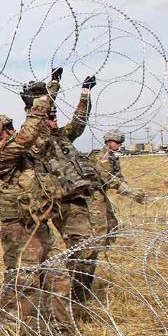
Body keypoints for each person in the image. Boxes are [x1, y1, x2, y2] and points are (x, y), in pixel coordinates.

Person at [0, 83, 71, 331]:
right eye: (7, 128)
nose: (13, 130)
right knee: (24, 282)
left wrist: (46, 100)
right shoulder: (0, 158)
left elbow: (38, 135)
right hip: (19, 230)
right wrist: (42, 101)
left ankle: (59, 328)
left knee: (59, 277)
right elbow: (27, 135)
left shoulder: (21, 155)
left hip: (38, 225)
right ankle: (11, 332)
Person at [30, 73, 101, 305]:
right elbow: (40, 112)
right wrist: (53, 86)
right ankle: (62, 300)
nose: (54, 121)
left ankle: (78, 297)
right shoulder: (38, 140)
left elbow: (79, 120)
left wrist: (85, 93)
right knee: (61, 252)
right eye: (50, 117)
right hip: (57, 202)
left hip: (75, 199)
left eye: (55, 117)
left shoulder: (63, 136)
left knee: (86, 251)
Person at [88, 130, 147, 243]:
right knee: (101, 223)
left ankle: (106, 246)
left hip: (103, 193)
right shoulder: (102, 156)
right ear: (108, 142)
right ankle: (97, 246)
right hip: (95, 194)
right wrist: (128, 191)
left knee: (111, 222)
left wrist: (127, 188)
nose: (119, 144)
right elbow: (107, 178)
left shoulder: (112, 156)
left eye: (120, 143)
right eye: (117, 142)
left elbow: (117, 176)